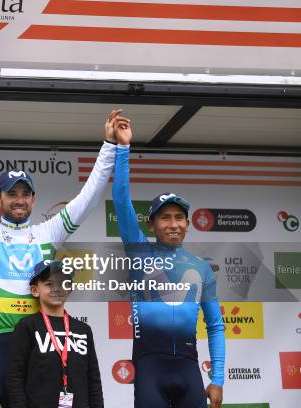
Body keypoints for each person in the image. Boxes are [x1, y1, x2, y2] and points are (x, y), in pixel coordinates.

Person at [0, 96, 118, 407]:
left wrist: (109, 146)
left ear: (34, 200)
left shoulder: (47, 233)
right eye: (12, 194)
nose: (19, 200)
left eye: (25, 194)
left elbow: (88, 198)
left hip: (42, 338)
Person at [110, 112, 225, 408]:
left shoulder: (200, 267)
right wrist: (122, 149)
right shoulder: (139, 253)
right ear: (152, 225)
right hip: (150, 367)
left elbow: (215, 326)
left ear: (188, 224)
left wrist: (218, 379)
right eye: (165, 218)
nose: (173, 224)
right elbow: (121, 200)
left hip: (189, 368)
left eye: (179, 218)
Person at [7, 260, 104, 408]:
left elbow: (93, 379)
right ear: (35, 290)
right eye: (49, 284)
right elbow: (15, 377)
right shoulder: (26, 327)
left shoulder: (83, 330)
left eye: (62, 283)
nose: (57, 289)